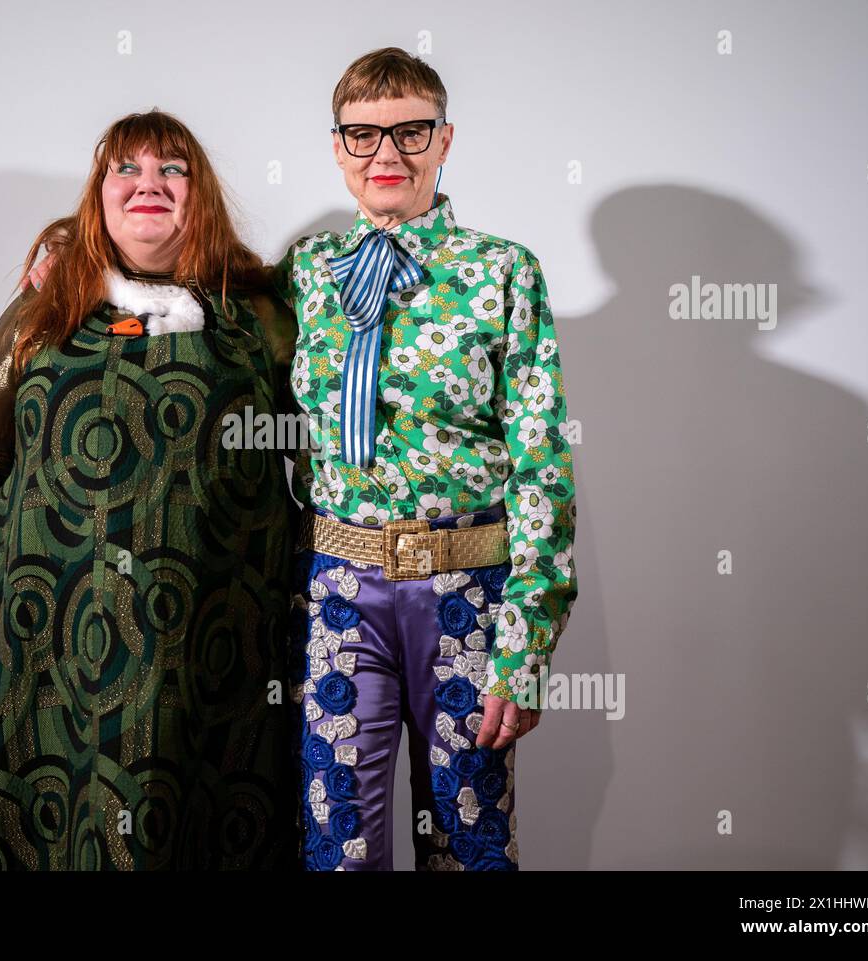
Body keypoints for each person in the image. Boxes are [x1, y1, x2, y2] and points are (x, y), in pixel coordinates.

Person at [0, 109, 300, 870]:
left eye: (173, 168)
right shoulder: (41, 310)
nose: (149, 184)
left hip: (212, 652)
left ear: (199, 193)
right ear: (97, 193)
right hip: (47, 653)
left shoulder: (262, 315)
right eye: (125, 169)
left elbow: (319, 453)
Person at [270, 48, 579, 871]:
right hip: (338, 592)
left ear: (445, 140)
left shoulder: (504, 271)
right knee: (340, 846)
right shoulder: (304, 274)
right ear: (337, 148)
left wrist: (526, 643)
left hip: (467, 593)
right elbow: (194, 300)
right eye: (363, 136)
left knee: (468, 845)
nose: (387, 155)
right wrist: (67, 258)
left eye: (410, 132)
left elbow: (543, 466)